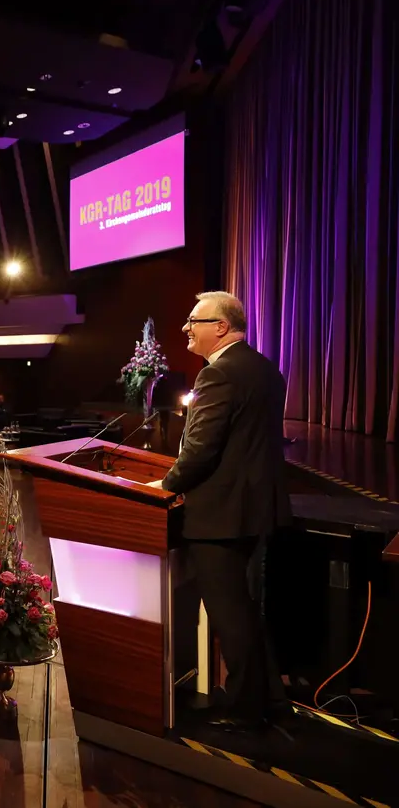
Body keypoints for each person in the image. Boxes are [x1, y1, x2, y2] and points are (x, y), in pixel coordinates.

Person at [148, 290, 291, 733]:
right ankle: (271, 701)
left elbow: (201, 450)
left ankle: (245, 712)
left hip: (221, 515)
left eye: (195, 320)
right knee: (246, 611)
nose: (186, 328)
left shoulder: (218, 374)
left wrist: (165, 485)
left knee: (231, 615)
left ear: (222, 327)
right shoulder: (265, 368)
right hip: (255, 509)